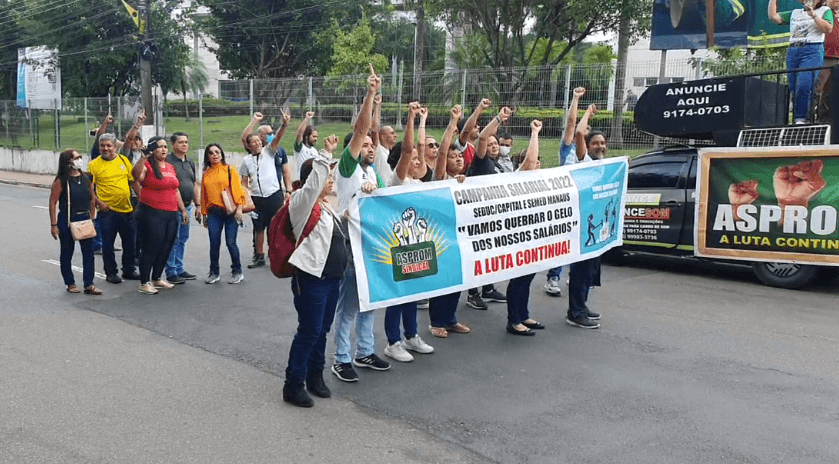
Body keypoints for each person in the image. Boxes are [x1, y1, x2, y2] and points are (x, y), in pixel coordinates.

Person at [331, 66, 391, 383]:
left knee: (370, 303)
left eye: (372, 145)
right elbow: (362, 128)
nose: (370, 147)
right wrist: (370, 95)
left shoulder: (372, 173)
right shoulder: (347, 167)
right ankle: (341, 358)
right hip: (350, 247)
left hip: (371, 246)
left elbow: (385, 200)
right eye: (365, 144)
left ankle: (365, 351)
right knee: (348, 307)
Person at [382, 103, 435, 363]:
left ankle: (412, 335)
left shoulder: (418, 182)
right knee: (398, 295)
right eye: (414, 160)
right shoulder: (398, 181)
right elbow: (408, 149)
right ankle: (393, 342)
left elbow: (420, 149)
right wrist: (411, 118)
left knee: (413, 294)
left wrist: (423, 120)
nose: (418, 161)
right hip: (398, 244)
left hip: (416, 244)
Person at [463, 104, 513, 310]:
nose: (492, 146)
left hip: (494, 216)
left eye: (495, 143)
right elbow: (482, 137)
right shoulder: (482, 162)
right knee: (478, 254)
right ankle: (473, 293)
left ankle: (488, 288)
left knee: (490, 254)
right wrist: (498, 119)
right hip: (478, 216)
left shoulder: (498, 164)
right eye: (490, 143)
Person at [428, 104, 469, 339]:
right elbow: (441, 152)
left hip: (460, 234)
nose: (457, 159)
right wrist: (454, 123)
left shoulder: (464, 179)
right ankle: (436, 322)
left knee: (457, 278)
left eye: (460, 156)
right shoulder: (440, 178)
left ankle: (450, 319)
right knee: (442, 279)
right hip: (441, 235)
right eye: (453, 157)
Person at [131, 136, 189, 294]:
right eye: (159, 147)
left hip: (171, 213)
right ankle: (144, 282)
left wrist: (183, 210)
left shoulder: (170, 167)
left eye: (165, 146)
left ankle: (157, 277)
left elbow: (175, 190)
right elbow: (136, 177)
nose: (164, 149)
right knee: (151, 246)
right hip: (151, 212)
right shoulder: (147, 166)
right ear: (152, 149)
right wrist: (143, 159)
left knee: (167, 245)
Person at [566, 104, 606, 329]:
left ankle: (582, 304)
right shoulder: (584, 160)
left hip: (598, 224)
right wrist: (588, 112)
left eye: (602, 143)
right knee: (581, 269)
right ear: (587, 147)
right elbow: (579, 132)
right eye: (595, 143)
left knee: (591, 268)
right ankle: (575, 312)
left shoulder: (604, 165)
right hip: (583, 224)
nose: (600, 146)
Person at [546, 87, 588, 297]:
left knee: (578, 238)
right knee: (561, 239)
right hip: (564, 199)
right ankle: (554, 276)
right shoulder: (568, 148)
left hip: (580, 200)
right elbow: (572, 124)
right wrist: (576, 99)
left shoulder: (589, 157)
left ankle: (575, 275)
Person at [506, 120, 546, 336]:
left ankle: (523, 314)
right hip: (519, 236)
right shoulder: (518, 179)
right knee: (519, 278)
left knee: (528, 277)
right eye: (532, 160)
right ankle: (513, 320)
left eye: (539, 159)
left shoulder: (544, 180)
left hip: (534, 236)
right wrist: (535, 133)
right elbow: (529, 161)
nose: (535, 162)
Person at [240, 111, 291, 269]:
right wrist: (247, 195)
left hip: (274, 195)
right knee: (259, 228)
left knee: (275, 226)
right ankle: (259, 256)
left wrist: (284, 124)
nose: (258, 143)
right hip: (257, 198)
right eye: (254, 141)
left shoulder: (269, 152)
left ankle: (276, 255)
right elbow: (243, 182)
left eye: (258, 140)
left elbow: (277, 138)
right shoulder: (246, 161)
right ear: (249, 145)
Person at [769, 0, 834, 123]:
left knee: (804, 85)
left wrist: (813, 15)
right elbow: (774, 17)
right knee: (793, 86)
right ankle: (798, 117)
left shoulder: (825, 11)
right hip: (793, 49)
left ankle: (801, 119)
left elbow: (828, 28)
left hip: (812, 48)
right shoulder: (794, 12)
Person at [88, 133, 140, 284]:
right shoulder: (93, 165)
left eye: (108, 145)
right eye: (102, 145)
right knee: (108, 245)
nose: (105, 148)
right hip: (107, 212)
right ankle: (111, 273)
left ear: (115, 147)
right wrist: (98, 203)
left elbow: (133, 182)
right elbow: (89, 189)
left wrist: (141, 200)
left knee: (130, 242)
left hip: (127, 209)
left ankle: (129, 270)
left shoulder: (123, 160)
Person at [48, 149, 102, 295]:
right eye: (76, 158)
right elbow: (53, 202)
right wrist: (54, 225)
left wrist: (92, 216)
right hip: (67, 219)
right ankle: (70, 282)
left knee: (88, 253)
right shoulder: (62, 181)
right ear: (68, 162)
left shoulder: (86, 178)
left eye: (80, 157)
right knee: (67, 252)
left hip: (85, 219)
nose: (80, 160)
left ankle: (89, 284)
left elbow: (92, 197)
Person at [199, 144, 246, 284]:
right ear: (207, 156)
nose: (215, 155)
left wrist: (239, 209)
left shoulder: (229, 170)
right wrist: (204, 214)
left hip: (230, 212)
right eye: (211, 153)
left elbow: (238, 191)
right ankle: (214, 272)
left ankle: (237, 271)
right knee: (214, 244)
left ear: (222, 154)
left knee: (231, 242)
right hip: (213, 213)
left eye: (217, 152)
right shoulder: (206, 174)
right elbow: (204, 196)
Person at [164, 132, 200, 284]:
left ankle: (180, 268)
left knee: (183, 239)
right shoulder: (168, 162)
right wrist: (181, 209)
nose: (184, 145)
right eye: (180, 142)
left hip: (187, 207)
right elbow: (172, 188)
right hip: (173, 208)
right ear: (173, 145)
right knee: (173, 239)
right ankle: (170, 271)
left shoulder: (190, 162)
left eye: (186, 142)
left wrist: (197, 204)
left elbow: (194, 184)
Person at [815, 0, 839, 121]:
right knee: (820, 88)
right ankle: (817, 118)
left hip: (836, 56)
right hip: (826, 56)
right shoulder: (822, 11)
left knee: (831, 91)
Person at [455, 98, 492, 173]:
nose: (478, 127)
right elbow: (466, 131)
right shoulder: (461, 146)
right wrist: (479, 108)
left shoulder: (477, 148)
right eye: (474, 126)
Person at [373, 94, 396, 183]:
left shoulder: (393, 154)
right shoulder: (379, 150)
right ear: (383, 137)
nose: (395, 135)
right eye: (391, 133)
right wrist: (377, 107)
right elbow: (375, 130)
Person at [293, 111, 320, 175]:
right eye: (314, 136)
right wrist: (307, 119)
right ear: (307, 137)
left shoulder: (315, 151)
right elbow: (299, 134)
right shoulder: (300, 148)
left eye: (317, 137)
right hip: (302, 180)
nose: (316, 139)